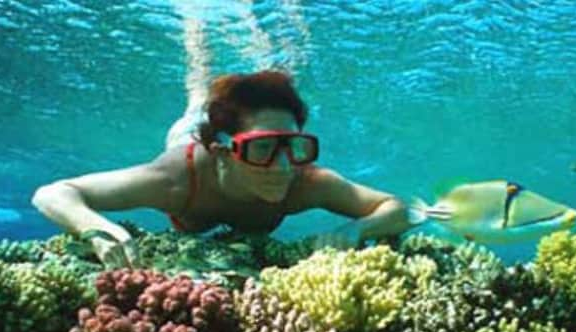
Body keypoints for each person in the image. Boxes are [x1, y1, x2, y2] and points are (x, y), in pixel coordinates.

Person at [32, 71, 411, 267]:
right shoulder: (174, 181)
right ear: (223, 151)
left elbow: (401, 207)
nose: (282, 167)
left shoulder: (305, 181)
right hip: (187, 142)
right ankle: (199, 93)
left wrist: (357, 228)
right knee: (197, 108)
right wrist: (97, 230)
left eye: (293, 146)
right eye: (262, 147)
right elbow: (51, 194)